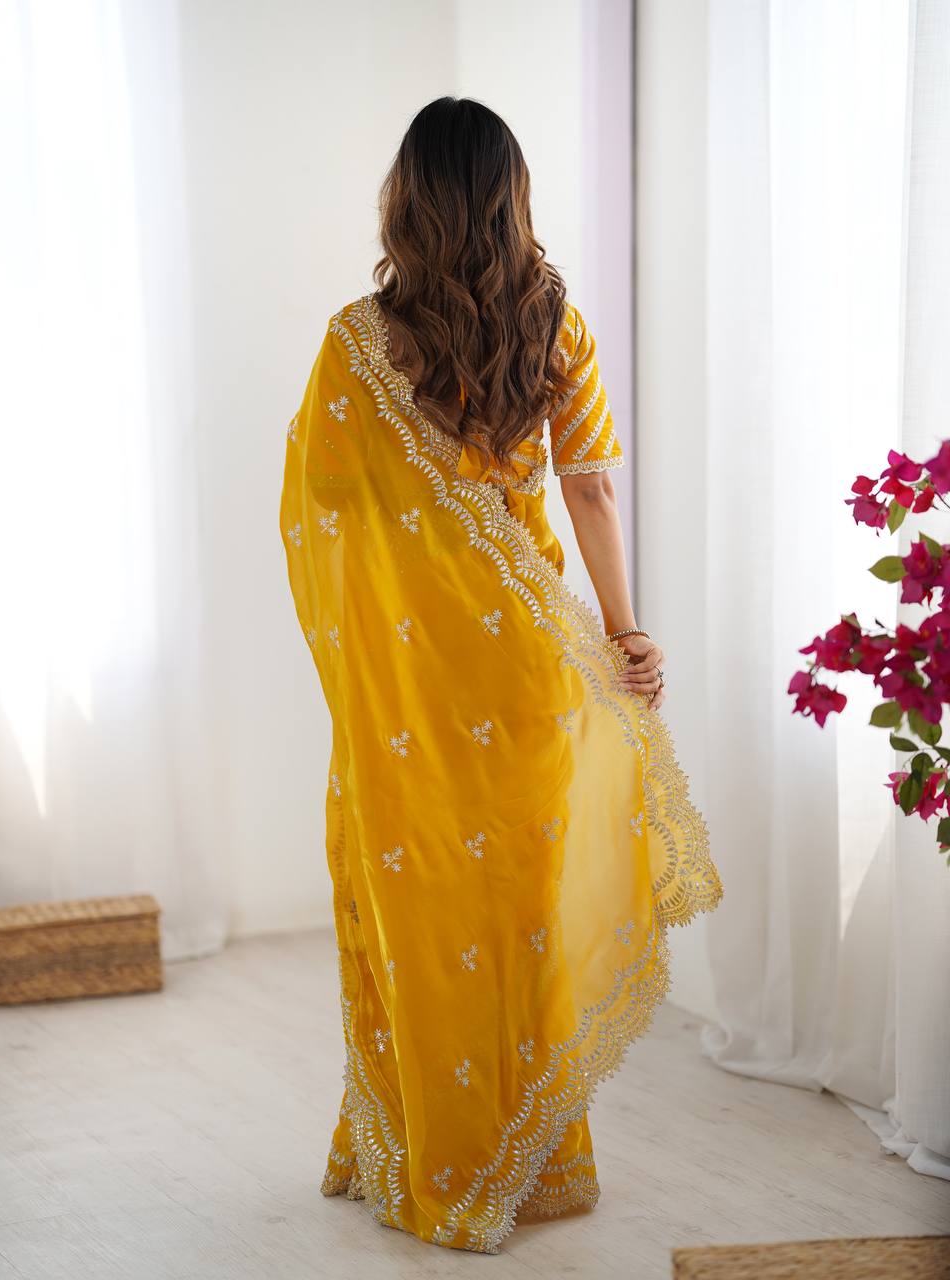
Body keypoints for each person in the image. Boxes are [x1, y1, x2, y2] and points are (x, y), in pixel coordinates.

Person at [280, 96, 722, 1255]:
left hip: (412, 691)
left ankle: (436, 1153)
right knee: (517, 919)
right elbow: (592, 488)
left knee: (418, 911)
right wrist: (623, 633)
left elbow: (323, 513)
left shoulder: (356, 344)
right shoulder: (553, 327)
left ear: (406, 201)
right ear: (512, 199)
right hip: (524, 670)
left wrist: (385, 626)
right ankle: (525, 1163)